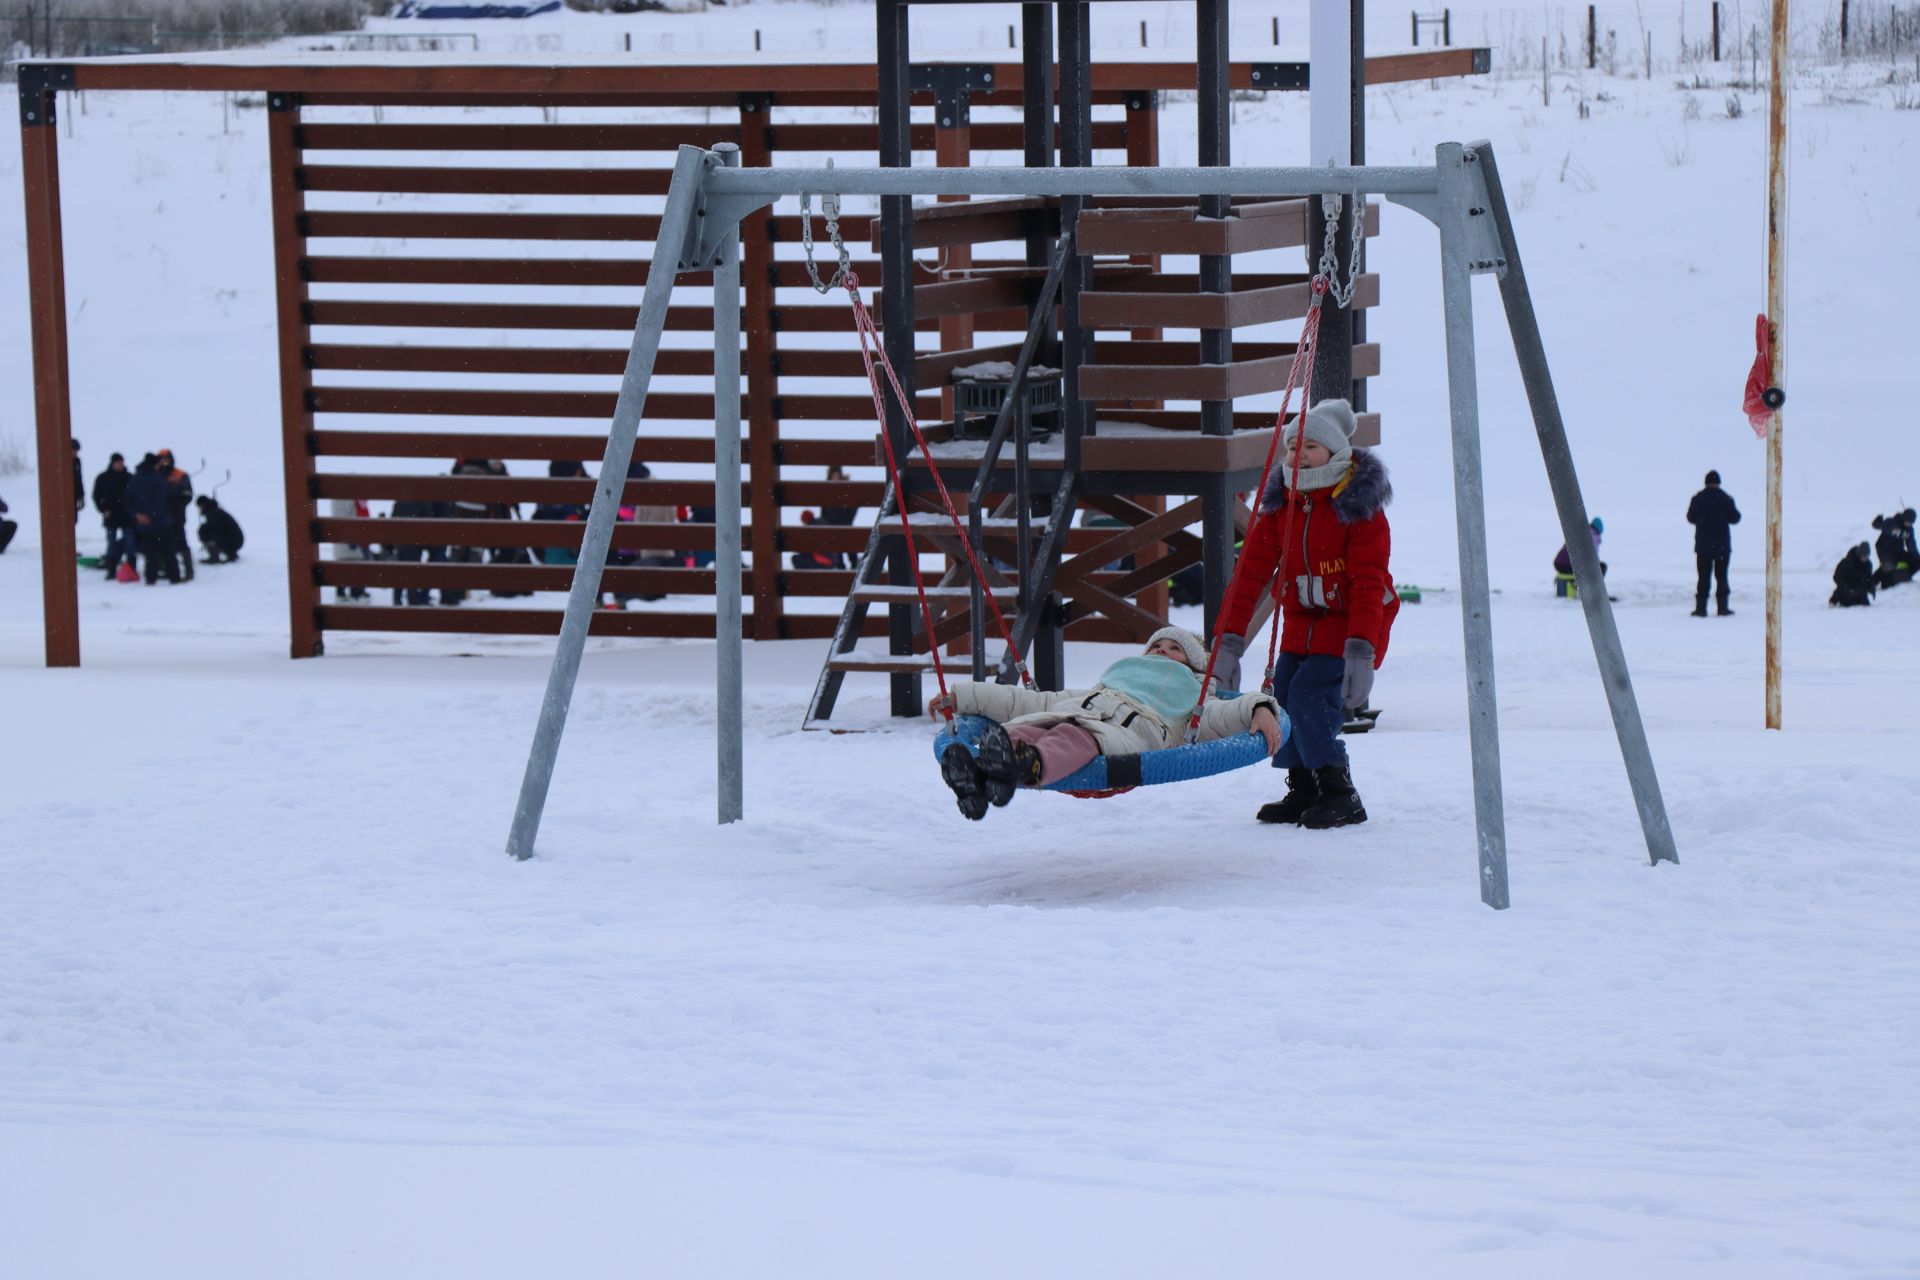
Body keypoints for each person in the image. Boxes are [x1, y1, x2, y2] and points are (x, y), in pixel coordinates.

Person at [1211, 399, 1396, 830]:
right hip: (1302, 622)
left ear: (1336, 453)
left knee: (1311, 698)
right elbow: (1249, 575)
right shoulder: (1281, 508)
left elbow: (1369, 583)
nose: (1298, 455)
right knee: (1284, 697)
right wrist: (1228, 645)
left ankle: (1339, 792)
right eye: (1293, 447)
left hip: (1350, 624)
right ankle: (1304, 787)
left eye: (1310, 447)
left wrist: (1361, 652)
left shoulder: (1358, 508)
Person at [929, 626, 1285, 821]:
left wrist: (1259, 707)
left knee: (1071, 735)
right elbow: (1027, 700)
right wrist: (963, 696)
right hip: (1081, 712)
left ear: (1192, 665)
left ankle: (1026, 764)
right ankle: (977, 777)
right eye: (1156, 646)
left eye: (1174, 648)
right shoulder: (1102, 687)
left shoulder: (1194, 694)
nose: (1162, 650)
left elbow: (1221, 714)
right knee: (1025, 725)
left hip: (1128, 733)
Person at [1686, 469, 1741, 616]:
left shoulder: (1697, 498)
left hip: (1703, 546)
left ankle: (1701, 608)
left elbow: (1690, 518)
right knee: (1722, 577)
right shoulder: (1726, 498)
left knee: (1703, 577)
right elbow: (1735, 518)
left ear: (1706, 482)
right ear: (1718, 482)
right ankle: (1722, 608)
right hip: (1722, 546)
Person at [123, 453, 180, 584]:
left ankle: (150, 577)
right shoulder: (157, 479)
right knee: (168, 551)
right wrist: (150, 515)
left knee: (149, 552)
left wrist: (138, 515)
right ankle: (174, 576)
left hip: (143, 524)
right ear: (155, 464)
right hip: (161, 522)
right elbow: (160, 501)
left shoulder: (135, 478)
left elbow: (128, 500)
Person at [92, 453, 135, 578]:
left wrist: (134, 511)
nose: (120, 465)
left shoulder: (130, 477)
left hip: (127, 517)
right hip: (111, 516)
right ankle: (111, 570)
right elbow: (96, 496)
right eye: (117, 462)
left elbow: (136, 496)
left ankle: (132, 569)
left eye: (121, 462)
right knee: (111, 543)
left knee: (130, 544)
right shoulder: (103, 478)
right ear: (112, 463)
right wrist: (103, 509)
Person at [154, 449, 195, 580]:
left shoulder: (180, 474)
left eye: (166, 458)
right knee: (163, 544)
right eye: (161, 458)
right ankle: (167, 569)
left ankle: (189, 571)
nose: (164, 461)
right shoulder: (155, 474)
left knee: (181, 543)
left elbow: (187, 495)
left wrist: (174, 505)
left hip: (177, 516)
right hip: (159, 517)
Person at [1871, 509, 1917, 589]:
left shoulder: (1909, 530)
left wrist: (1915, 556)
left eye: (1911, 522)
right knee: (1888, 565)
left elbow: (1911, 545)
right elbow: (1879, 526)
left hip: (1898, 550)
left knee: (1917, 560)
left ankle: (1906, 576)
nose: (1909, 524)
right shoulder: (1892, 521)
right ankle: (1871, 582)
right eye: (1907, 521)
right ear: (1903, 518)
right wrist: (1897, 532)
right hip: (1884, 549)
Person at [194, 495, 244, 563]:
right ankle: (231, 553)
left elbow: (212, 530)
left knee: (203, 532)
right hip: (238, 540)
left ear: (202, 505)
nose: (199, 509)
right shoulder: (215, 511)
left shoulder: (213, 513)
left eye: (199, 507)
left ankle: (214, 557)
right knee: (206, 530)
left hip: (234, 542)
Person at [1830, 542, 1877, 608]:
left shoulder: (1868, 564)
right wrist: (1845, 587)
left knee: (1866, 605)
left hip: (1860, 590)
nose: (1865, 558)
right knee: (1846, 603)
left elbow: (1869, 578)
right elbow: (1837, 577)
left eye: (1867, 556)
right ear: (1859, 554)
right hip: (1846, 588)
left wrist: (1872, 587)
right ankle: (1834, 600)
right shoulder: (1846, 562)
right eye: (1864, 556)